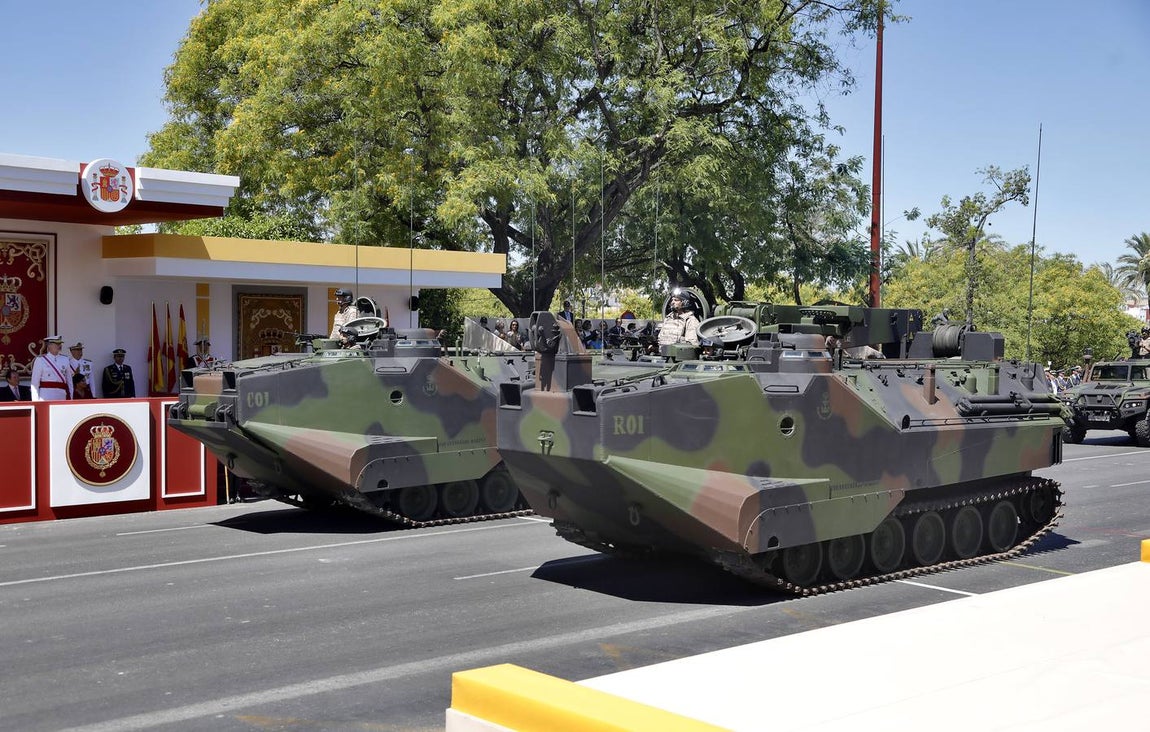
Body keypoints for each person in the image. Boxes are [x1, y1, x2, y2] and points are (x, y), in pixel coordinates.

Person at [31, 334, 73, 400]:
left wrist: (71, 398)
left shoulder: (65, 359)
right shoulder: (40, 360)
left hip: (61, 395)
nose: (59, 346)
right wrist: (35, 402)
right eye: (56, 344)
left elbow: (69, 382)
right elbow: (35, 383)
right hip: (46, 395)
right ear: (49, 345)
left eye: (60, 343)